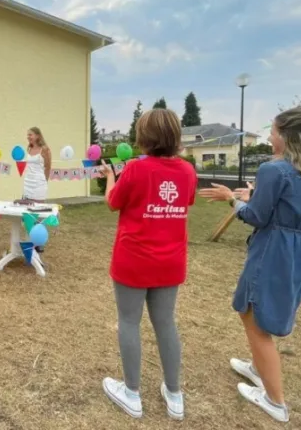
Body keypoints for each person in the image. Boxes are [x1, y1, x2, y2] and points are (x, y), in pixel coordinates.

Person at [199, 105, 301, 423]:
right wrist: (254, 196)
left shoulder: (274, 170)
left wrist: (232, 199)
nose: (269, 136)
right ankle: (257, 367)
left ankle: (275, 401)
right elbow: (289, 208)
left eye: (274, 131)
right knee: (258, 309)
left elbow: (256, 217)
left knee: (255, 315)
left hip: (273, 252)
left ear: (288, 137)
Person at [100, 109, 196, 420]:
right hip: (170, 262)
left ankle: (132, 393)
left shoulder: (136, 170)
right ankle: (174, 394)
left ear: (144, 138)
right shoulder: (188, 171)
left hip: (134, 260)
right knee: (166, 323)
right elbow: (186, 201)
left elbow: (113, 201)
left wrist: (111, 178)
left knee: (129, 321)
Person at [23, 127, 51, 202]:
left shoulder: (44, 149)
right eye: (27, 135)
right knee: (27, 207)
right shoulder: (29, 149)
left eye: (30, 135)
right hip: (28, 182)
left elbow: (47, 167)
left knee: (38, 208)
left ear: (37, 136)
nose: (28, 137)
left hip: (39, 182)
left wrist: (44, 182)